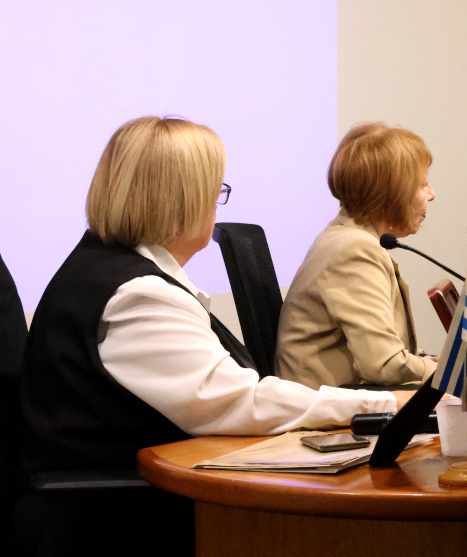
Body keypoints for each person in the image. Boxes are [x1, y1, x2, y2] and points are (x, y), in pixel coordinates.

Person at [16, 117, 406, 556]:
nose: (218, 206)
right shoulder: (135, 295)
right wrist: (386, 404)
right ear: (183, 201)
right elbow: (239, 402)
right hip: (120, 524)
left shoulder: (107, 266)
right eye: (216, 192)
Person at [276, 123, 438, 389]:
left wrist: (427, 362)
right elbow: (383, 364)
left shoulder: (343, 236)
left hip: (347, 397)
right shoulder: (355, 250)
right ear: (392, 193)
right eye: (422, 184)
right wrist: (448, 372)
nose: (431, 194)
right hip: (333, 414)